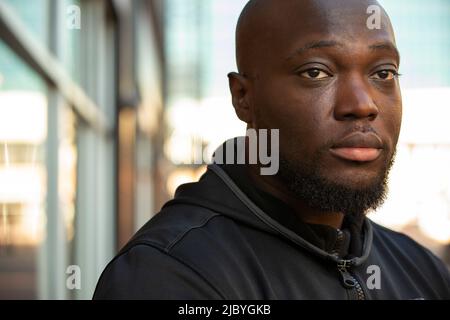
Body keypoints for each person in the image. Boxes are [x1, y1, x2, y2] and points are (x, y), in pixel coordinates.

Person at [94, 0, 450, 299]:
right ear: (243, 98)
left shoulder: (424, 272)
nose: (362, 104)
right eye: (316, 72)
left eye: (384, 73)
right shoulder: (167, 275)